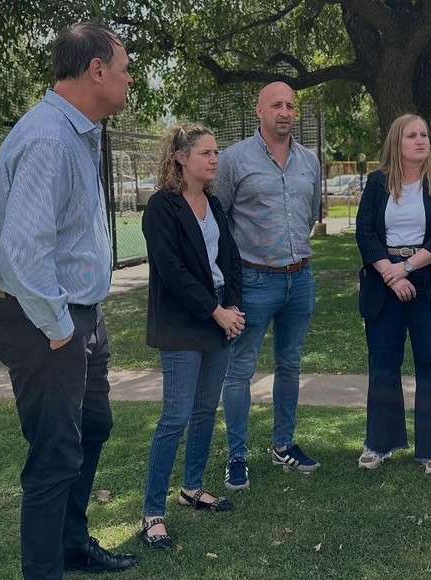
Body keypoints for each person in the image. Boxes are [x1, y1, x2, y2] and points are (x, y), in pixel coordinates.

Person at [0, 23, 137, 578]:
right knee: (53, 457)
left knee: (92, 430)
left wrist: (81, 320)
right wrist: (58, 328)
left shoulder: (80, 131)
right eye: (124, 70)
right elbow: (24, 253)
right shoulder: (49, 137)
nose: (128, 81)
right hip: (41, 321)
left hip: (77, 318)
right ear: (95, 70)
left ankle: (73, 544)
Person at [138, 123, 246, 549]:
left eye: (216, 152)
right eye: (206, 152)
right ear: (181, 157)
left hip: (219, 311)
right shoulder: (161, 207)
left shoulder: (214, 203)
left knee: (205, 410)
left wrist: (232, 306)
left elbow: (231, 259)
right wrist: (216, 311)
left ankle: (193, 487)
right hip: (185, 319)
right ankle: (151, 512)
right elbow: (173, 272)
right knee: (175, 417)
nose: (215, 159)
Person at [215, 81, 322, 490]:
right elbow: (220, 218)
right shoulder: (233, 160)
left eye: (291, 105)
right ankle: (236, 456)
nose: (285, 112)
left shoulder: (309, 161)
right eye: (276, 105)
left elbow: (310, 213)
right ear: (258, 110)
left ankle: (283, 445)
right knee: (240, 369)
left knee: (290, 364)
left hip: (300, 279)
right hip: (254, 281)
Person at [355, 114, 431, 475]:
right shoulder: (377, 182)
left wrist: (408, 267)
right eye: (412, 135)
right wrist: (390, 272)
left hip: (430, 283)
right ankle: (379, 442)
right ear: (396, 143)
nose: (420, 141)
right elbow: (365, 233)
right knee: (383, 366)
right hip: (384, 286)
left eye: (425, 135)